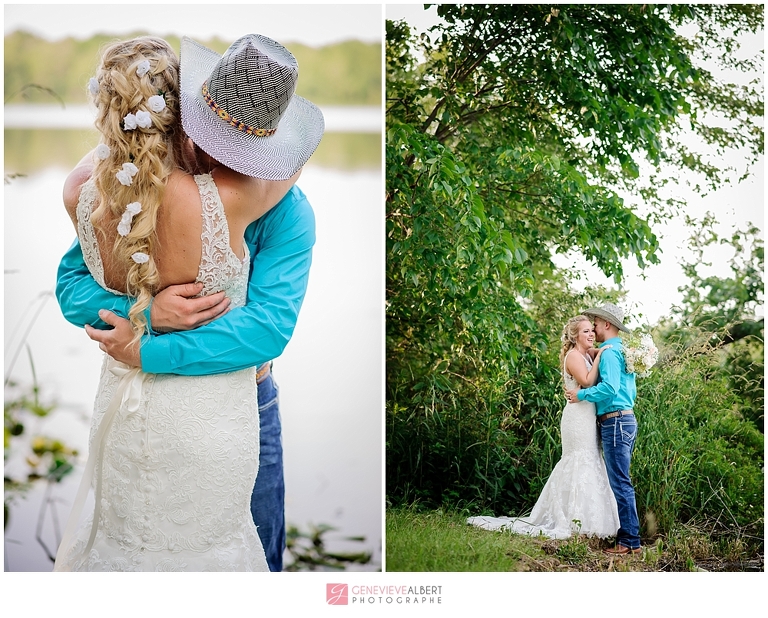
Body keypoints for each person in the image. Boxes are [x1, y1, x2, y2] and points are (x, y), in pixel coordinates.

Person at [54, 34, 323, 571]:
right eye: (210, 138)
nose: (220, 158)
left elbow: (266, 330)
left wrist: (148, 351)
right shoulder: (135, 180)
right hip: (141, 411)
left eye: (240, 150)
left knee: (256, 560)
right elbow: (70, 282)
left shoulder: (286, 209)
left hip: (242, 408)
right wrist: (148, 314)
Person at [467, 316, 619, 539]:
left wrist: (605, 351)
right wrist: (599, 358)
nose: (591, 335)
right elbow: (586, 381)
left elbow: (605, 352)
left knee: (592, 459)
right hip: (577, 419)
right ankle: (570, 519)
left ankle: (590, 520)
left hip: (588, 417)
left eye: (591, 330)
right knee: (578, 460)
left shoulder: (587, 353)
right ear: (575, 336)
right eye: (585, 331)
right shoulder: (574, 356)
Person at [565, 302, 641, 555]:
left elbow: (609, 388)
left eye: (595, 323)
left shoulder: (609, 353)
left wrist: (582, 394)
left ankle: (629, 541)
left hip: (616, 420)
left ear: (606, 324)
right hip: (624, 418)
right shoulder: (620, 350)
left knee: (620, 482)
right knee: (621, 481)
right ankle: (630, 538)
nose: (594, 327)